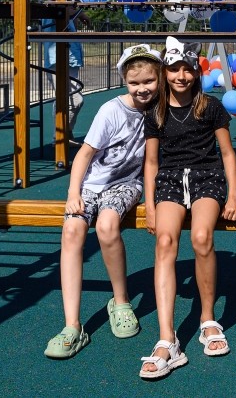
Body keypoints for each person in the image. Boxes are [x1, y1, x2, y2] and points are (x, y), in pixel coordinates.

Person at [44, 44, 162, 359]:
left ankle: (120, 301)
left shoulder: (160, 108)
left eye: (149, 81)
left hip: (126, 183)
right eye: (134, 82)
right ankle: (72, 325)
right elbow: (85, 154)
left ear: (159, 79)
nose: (142, 88)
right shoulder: (111, 110)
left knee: (108, 225)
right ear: (125, 81)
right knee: (72, 231)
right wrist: (73, 193)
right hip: (91, 184)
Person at [139, 36, 236, 380]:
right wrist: (150, 206)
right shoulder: (156, 111)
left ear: (196, 72)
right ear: (164, 72)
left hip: (206, 177)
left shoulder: (210, 107)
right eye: (173, 69)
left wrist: (234, 196)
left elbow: (227, 153)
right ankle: (167, 340)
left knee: (200, 237)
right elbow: (152, 162)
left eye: (187, 69)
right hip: (169, 180)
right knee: (165, 241)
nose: (180, 76)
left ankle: (207, 320)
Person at [42, 7, 88, 146]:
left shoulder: (67, 13)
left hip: (70, 59)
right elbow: (62, 10)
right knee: (71, 99)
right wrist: (81, 13)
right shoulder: (53, 7)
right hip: (58, 59)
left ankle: (65, 133)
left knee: (68, 99)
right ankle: (60, 135)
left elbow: (68, 14)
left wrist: (78, 15)